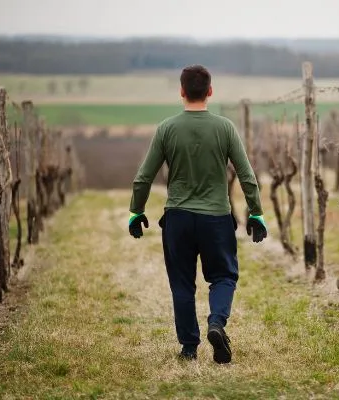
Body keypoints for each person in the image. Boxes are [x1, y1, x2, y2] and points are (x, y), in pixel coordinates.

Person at [128, 65, 267, 364]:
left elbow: (143, 178)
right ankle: (216, 322)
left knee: (181, 283)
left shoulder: (166, 128)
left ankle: (189, 347)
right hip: (216, 219)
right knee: (223, 276)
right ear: (210, 91)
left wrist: (136, 211)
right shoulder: (225, 128)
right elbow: (246, 175)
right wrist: (256, 213)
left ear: (181, 91)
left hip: (177, 219)